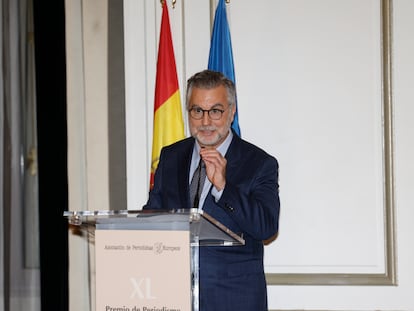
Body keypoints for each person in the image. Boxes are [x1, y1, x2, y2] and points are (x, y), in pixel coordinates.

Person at [144, 69, 280, 311]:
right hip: (172, 296)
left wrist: (224, 188)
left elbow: (267, 227)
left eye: (215, 111)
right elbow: (153, 216)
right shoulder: (171, 156)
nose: (205, 122)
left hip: (233, 299)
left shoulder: (259, 163)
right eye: (197, 111)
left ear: (231, 111)